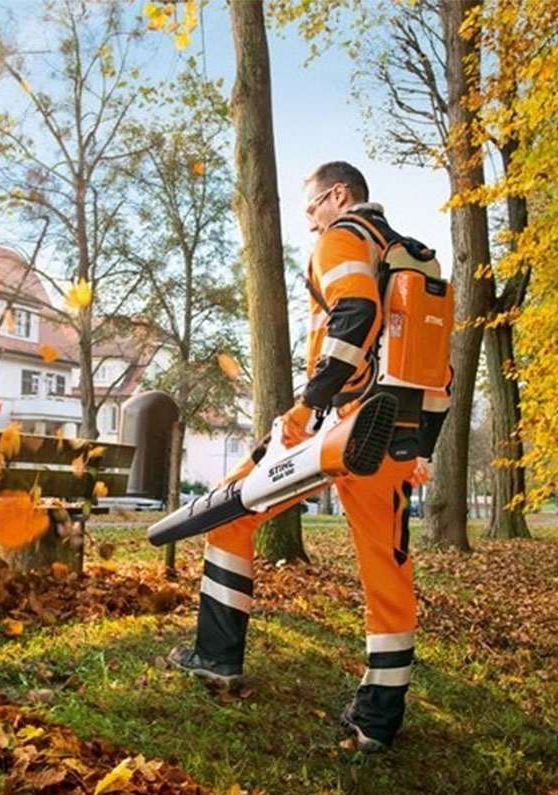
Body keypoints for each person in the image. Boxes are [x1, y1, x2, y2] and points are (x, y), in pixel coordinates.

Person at [168, 161, 450, 752]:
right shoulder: (415, 258)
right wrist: (421, 446)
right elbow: (438, 370)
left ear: (339, 196)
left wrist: (306, 407)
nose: (310, 222)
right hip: (394, 437)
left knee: (228, 512)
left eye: (312, 207)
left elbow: (356, 315)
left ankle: (216, 657)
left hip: (336, 428)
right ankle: (377, 722)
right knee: (389, 575)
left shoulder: (343, 238)